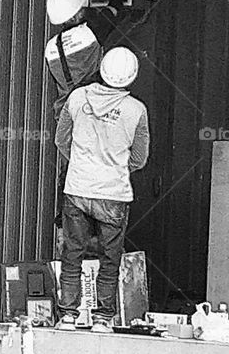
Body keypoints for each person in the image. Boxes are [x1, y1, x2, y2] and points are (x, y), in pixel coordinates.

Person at [53, 47, 149, 333]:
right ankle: (103, 319)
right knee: (110, 258)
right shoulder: (136, 110)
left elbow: (61, 141)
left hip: (78, 188)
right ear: (131, 77)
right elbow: (139, 158)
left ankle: (68, 316)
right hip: (114, 194)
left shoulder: (77, 98)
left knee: (73, 252)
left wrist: (84, 165)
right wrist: (115, 168)